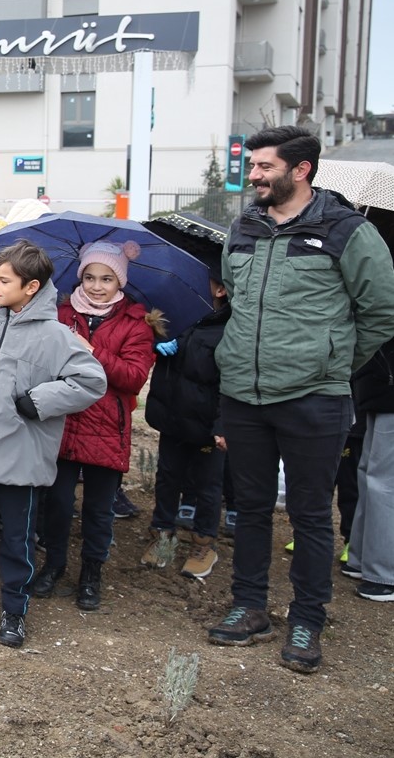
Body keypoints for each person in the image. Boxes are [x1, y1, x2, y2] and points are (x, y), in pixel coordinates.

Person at [208, 125, 394, 673]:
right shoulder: (242, 229)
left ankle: (308, 618)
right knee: (251, 509)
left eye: (265, 167)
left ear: (301, 169)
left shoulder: (347, 232)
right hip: (244, 395)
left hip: (315, 399)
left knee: (312, 516)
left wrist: (330, 364)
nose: (254, 176)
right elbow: (236, 301)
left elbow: (381, 312)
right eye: (252, 166)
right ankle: (248, 607)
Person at [0, 240, 106, 649]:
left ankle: (15, 608)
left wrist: (41, 401)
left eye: (3, 280)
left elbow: (92, 381)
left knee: (18, 538)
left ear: (31, 287)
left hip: (20, 460)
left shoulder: (55, 336)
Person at [35, 241, 161, 610]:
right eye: (89, 277)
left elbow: (133, 377)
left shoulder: (135, 323)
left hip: (107, 426)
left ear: (119, 281)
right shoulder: (59, 315)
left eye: (106, 278)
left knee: (99, 507)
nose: (96, 285)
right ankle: (54, 564)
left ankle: (92, 572)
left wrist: (90, 351)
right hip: (62, 422)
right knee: (56, 502)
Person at [144, 267, 231, 580]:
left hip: (206, 424)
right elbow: (157, 346)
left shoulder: (230, 329)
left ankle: (204, 542)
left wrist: (222, 424)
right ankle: (163, 534)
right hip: (172, 417)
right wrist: (156, 341)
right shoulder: (180, 317)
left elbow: (229, 382)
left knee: (208, 486)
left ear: (220, 290)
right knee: (167, 476)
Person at [346, 337, 394, 602]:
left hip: (380, 381)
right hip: (379, 384)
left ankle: (374, 566)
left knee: (378, 479)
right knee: (374, 476)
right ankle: (371, 564)